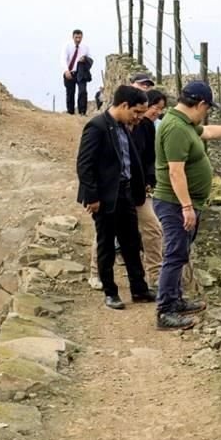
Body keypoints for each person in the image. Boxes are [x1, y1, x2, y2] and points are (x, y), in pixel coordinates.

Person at [153, 81, 221, 329]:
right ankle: (165, 311)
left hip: (185, 202)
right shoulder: (175, 128)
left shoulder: (185, 124)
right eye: (207, 108)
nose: (206, 113)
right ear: (201, 104)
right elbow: (175, 172)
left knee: (180, 252)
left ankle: (175, 300)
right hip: (174, 203)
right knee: (174, 255)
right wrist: (186, 207)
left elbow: (207, 132)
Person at [76, 85, 157, 310]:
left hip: (126, 194)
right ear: (123, 105)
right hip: (105, 197)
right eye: (137, 112)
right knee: (106, 245)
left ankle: (139, 289)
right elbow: (85, 165)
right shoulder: (97, 127)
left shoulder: (123, 127)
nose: (139, 117)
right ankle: (110, 292)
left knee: (131, 242)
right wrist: (92, 197)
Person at [132, 89, 167, 287]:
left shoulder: (149, 127)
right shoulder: (129, 127)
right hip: (126, 189)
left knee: (153, 229)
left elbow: (148, 159)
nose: (157, 112)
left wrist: (149, 181)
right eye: (156, 107)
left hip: (142, 190)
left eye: (161, 109)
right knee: (109, 231)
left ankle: (155, 276)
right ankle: (97, 272)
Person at [62, 29, 92, 115]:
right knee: (70, 93)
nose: (78, 39)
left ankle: (82, 111)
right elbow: (63, 59)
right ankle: (70, 112)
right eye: (76, 37)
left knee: (83, 91)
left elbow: (90, 59)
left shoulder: (85, 47)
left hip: (81, 73)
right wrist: (66, 70)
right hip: (70, 72)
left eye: (80, 37)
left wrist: (85, 59)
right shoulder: (67, 46)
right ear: (73, 37)